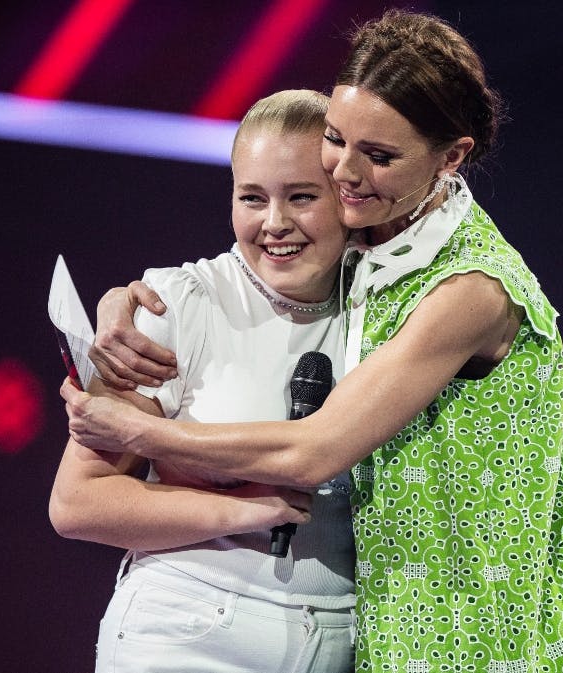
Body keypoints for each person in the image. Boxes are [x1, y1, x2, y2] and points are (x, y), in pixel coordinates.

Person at [65, 9, 563, 673]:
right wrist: (121, 302)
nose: (344, 172)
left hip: (489, 624)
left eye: (380, 155)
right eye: (337, 139)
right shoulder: (366, 251)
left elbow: (315, 451)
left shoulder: (468, 286)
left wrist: (140, 433)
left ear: (451, 158)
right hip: (384, 623)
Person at [49, 89, 359, 673]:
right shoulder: (175, 305)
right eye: (252, 197)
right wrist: (245, 510)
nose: (274, 223)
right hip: (186, 630)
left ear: (347, 196)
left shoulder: (394, 311)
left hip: (342, 641)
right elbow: (78, 502)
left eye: (301, 196)